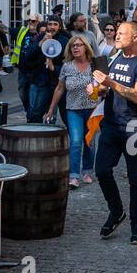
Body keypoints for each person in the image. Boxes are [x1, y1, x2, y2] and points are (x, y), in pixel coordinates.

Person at [91, 20, 137, 244]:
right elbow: (106, 91)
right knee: (102, 170)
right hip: (111, 124)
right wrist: (98, 89)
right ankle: (116, 211)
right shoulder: (114, 59)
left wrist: (111, 82)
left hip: (134, 127)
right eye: (115, 33)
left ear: (135, 37)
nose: (116, 36)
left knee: (136, 178)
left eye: (121, 33)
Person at [44, 33, 98, 187]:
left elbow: (104, 85)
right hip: (73, 109)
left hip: (92, 109)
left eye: (78, 45)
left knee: (89, 142)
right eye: (73, 46)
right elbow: (60, 88)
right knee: (75, 141)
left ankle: (87, 171)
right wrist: (51, 109)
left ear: (85, 47)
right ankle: (73, 175)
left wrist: (99, 90)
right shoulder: (67, 66)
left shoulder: (95, 64)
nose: (75, 48)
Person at [18, 19, 61, 122]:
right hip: (37, 78)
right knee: (33, 109)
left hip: (54, 82)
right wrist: (41, 43)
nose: (52, 27)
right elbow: (28, 56)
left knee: (43, 111)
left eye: (55, 24)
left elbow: (66, 63)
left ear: (60, 27)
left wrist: (54, 67)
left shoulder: (63, 39)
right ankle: (33, 126)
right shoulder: (40, 38)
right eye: (49, 24)